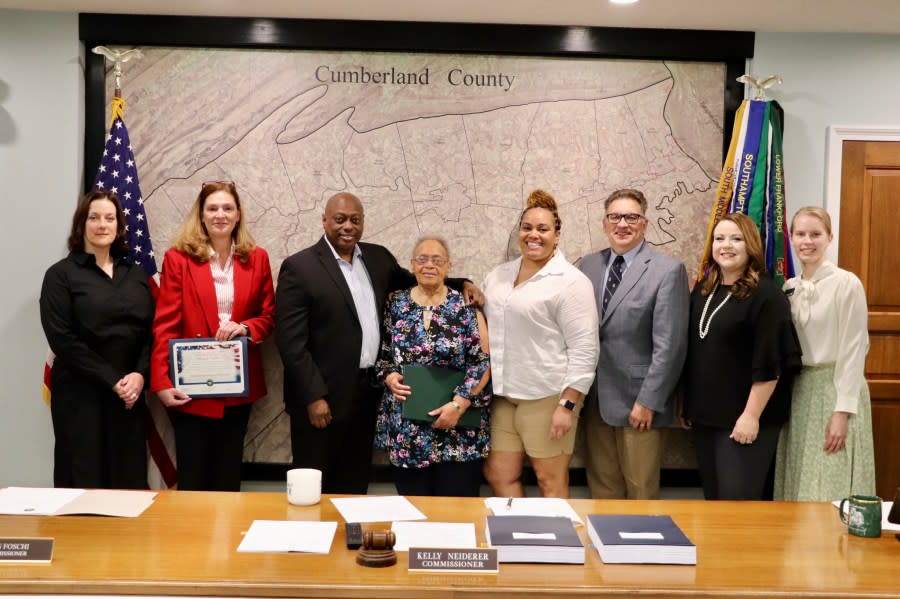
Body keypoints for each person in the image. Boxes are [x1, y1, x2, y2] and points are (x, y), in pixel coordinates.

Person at [275, 192, 480, 495]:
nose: (348, 226)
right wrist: (313, 397)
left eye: (355, 220)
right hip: (322, 399)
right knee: (315, 485)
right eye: (340, 219)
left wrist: (462, 284)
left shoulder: (377, 257)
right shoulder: (300, 267)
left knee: (355, 483)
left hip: (366, 396)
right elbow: (291, 344)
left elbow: (418, 278)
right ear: (324, 220)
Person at [150, 181, 275, 491]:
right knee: (193, 477)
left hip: (237, 386)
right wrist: (162, 382)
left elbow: (269, 316)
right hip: (190, 387)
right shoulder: (178, 258)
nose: (220, 215)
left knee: (228, 477)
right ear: (201, 215)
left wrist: (246, 327)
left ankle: (228, 540)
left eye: (227, 208)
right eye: (213, 208)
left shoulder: (257, 258)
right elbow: (165, 323)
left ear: (238, 215)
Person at [482, 189, 599, 498]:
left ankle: (554, 545)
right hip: (504, 396)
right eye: (527, 228)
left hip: (548, 397)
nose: (533, 235)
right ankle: (515, 539)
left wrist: (568, 405)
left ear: (557, 235)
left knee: (550, 481)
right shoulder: (498, 276)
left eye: (543, 229)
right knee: (498, 474)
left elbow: (585, 349)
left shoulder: (571, 282)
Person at [680, 212, 801, 500]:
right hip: (706, 417)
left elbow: (771, 363)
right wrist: (687, 403)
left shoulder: (766, 296)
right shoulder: (704, 290)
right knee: (714, 500)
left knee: (738, 505)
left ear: (751, 246)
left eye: (736, 239)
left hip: (743, 419)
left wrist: (750, 416)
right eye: (719, 239)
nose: (726, 245)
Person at [579, 188, 689, 499]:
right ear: (605, 223)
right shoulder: (588, 266)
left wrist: (649, 401)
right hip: (595, 402)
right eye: (615, 216)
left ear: (644, 223)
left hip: (638, 404)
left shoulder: (667, 270)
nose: (622, 224)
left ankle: (643, 551)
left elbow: (671, 345)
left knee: (641, 494)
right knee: (602, 492)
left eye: (631, 217)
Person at [40, 190, 155, 489]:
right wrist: (113, 380)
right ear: (81, 225)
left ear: (118, 226)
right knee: (83, 481)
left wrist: (139, 376)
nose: (102, 224)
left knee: (128, 482)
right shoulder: (61, 275)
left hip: (129, 397)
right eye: (94, 218)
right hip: (82, 395)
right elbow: (62, 338)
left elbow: (150, 333)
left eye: (109, 218)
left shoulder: (136, 274)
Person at [774, 207, 876, 501]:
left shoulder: (846, 284)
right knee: (801, 478)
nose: (808, 241)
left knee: (830, 477)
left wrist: (842, 412)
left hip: (836, 388)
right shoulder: (789, 287)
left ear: (829, 238)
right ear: (791, 238)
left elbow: (854, 350)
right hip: (801, 391)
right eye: (801, 234)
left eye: (816, 234)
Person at [376, 237, 491, 496]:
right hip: (408, 433)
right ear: (412, 265)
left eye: (437, 260)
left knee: (458, 516)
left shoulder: (467, 306)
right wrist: (390, 376)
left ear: (448, 266)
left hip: (458, 432)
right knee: (414, 516)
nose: (429, 265)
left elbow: (482, 362)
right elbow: (383, 356)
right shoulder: (395, 304)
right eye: (422, 259)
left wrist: (458, 405)